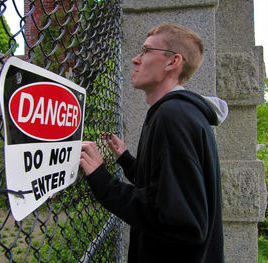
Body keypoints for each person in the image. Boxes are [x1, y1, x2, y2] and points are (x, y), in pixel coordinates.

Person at [80, 24, 228, 263]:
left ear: (173, 62)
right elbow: (167, 189)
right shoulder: (176, 113)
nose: (135, 59)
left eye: (146, 51)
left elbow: (181, 223)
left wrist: (102, 181)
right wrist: (125, 159)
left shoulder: (173, 116)